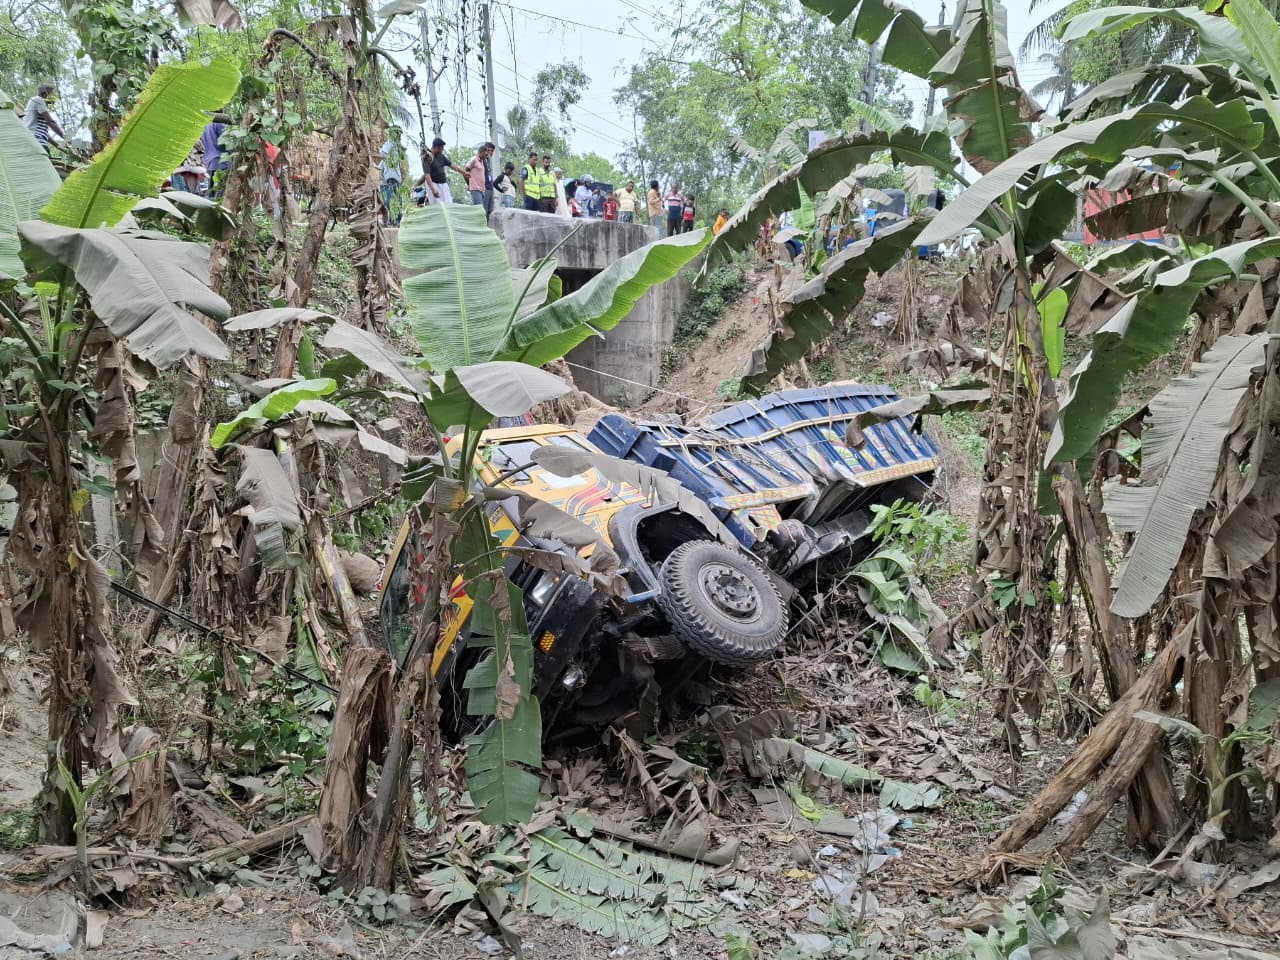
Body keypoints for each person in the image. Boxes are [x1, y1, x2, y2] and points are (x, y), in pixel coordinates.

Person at [417, 137, 467, 204]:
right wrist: (433, 189)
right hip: (433, 184)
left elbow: (453, 166)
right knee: (437, 205)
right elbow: (427, 175)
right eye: (441, 148)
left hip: (443, 184)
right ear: (436, 147)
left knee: (449, 203)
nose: (442, 150)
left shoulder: (441, 156)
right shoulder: (427, 157)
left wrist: (464, 172)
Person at [21, 83, 63, 153]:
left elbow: (44, 134)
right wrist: (64, 136)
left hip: (33, 140)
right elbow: (51, 122)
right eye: (52, 93)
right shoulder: (39, 100)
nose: (54, 96)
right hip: (37, 142)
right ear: (46, 93)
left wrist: (59, 146)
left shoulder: (34, 102)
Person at [379, 128, 406, 224]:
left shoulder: (395, 146)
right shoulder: (389, 144)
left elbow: (402, 156)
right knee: (393, 200)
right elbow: (383, 154)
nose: (400, 137)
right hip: (391, 178)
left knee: (396, 200)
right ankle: (394, 221)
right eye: (398, 134)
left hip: (395, 178)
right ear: (394, 134)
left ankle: (395, 221)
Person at [198, 116, 230, 197]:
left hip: (207, 163)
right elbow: (227, 143)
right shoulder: (219, 124)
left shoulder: (203, 126)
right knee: (219, 195)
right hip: (221, 162)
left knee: (208, 194)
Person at [464, 142, 491, 207]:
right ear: (481, 152)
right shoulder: (473, 159)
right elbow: (465, 172)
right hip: (475, 188)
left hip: (482, 189)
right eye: (485, 154)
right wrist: (469, 184)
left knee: (482, 209)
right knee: (479, 208)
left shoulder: (482, 162)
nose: (486, 156)